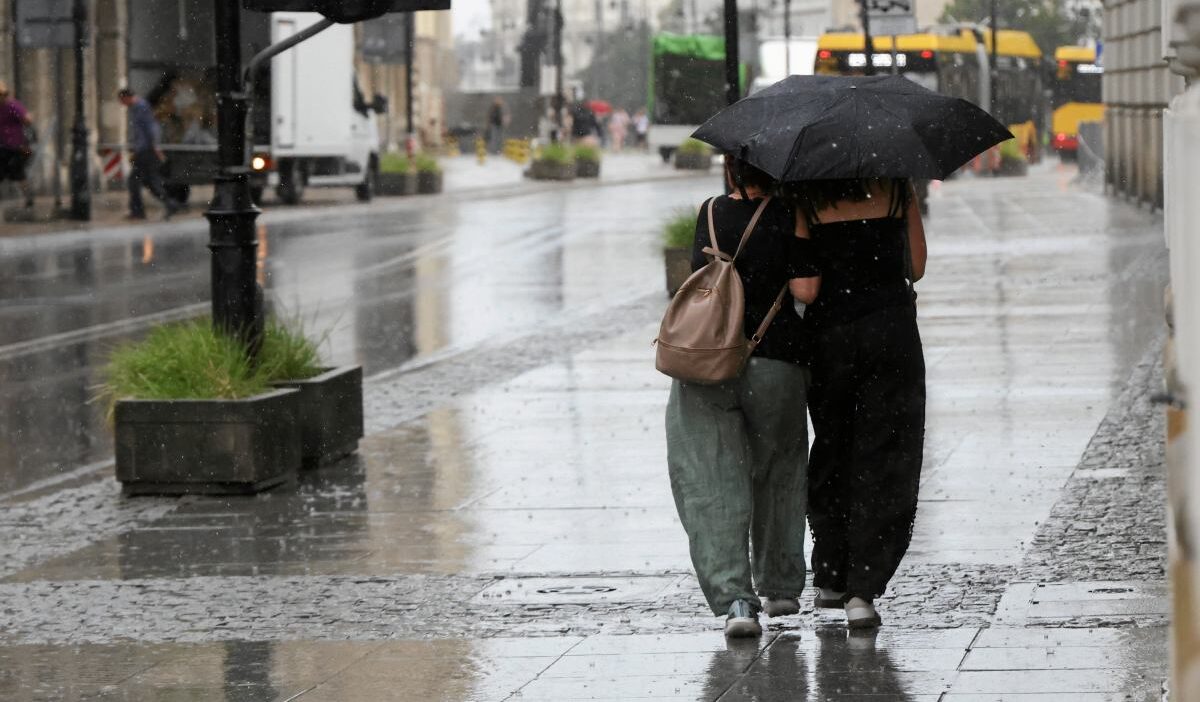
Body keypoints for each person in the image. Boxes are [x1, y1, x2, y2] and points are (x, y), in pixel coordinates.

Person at [665, 156, 820, 638]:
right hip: (777, 360)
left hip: (709, 360)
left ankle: (735, 600)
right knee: (779, 470)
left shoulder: (710, 212)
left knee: (711, 475)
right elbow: (806, 291)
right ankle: (779, 588)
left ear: (732, 171)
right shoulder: (792, 213)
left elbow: (700, 283)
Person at [790, 178, 928, 630]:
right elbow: (918, 266)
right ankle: (863, 589)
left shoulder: (807, 199)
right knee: (885, 453)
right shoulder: (896, 190)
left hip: (830, 338)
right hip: (891, 333)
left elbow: (806, 289)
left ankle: (831, 572)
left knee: (834, 447)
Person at [118, 87, 180, 220]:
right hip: (145, 150)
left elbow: (151, 127)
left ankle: (138, 212)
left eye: (122, 100)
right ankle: (170, 204)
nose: (122, 104)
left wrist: (155, 147)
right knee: (151, 183)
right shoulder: (137, 107)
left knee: (134, 182)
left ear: (126, 97)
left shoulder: (141, 107)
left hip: (147, 151)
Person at [0, 81, 35, 211]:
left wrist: (25, 120)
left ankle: (29, 197)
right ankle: (28, 197)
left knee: (18, 173)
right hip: (3, 147)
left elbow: (28, 119)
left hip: (17, 147)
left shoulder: (13, 105)